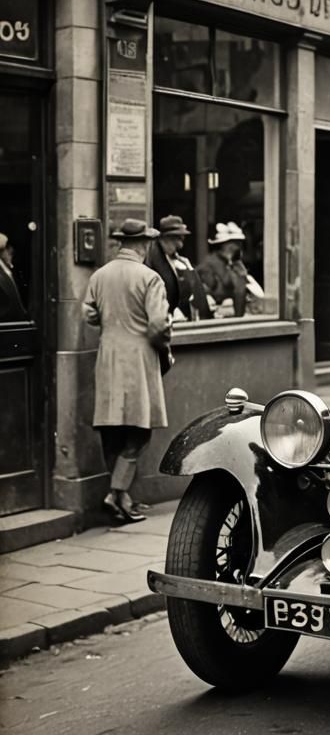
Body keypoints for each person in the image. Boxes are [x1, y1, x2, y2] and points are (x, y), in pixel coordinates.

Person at [82, 218, 173, 524]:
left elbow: (88, 314)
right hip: (138, 359)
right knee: (139, 431)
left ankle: (122, 499)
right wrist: (165, 348)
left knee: (112, 429)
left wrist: (112, 324)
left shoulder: (99, 275)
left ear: (122, 243)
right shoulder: (149, 277)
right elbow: (158, 325)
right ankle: (116, 493)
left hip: (108, 357)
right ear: (144, 245)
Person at [145, 215, 212, 321]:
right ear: (167, 239)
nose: (181, 241)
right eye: (177, 237)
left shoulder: (180, 260)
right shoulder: (153, 259)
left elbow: (193, 289)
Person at [198, 221, 249, 317]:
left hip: (236, 315)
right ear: (227, 245)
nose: (239, 247)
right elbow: (210, 291)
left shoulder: (235, 264)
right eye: (236, 243)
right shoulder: (209, 264)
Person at [0, 232, 28, 321]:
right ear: (4, 252)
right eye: (10, 252)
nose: (11, 255)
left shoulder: (7, 271)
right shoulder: (3, 273)